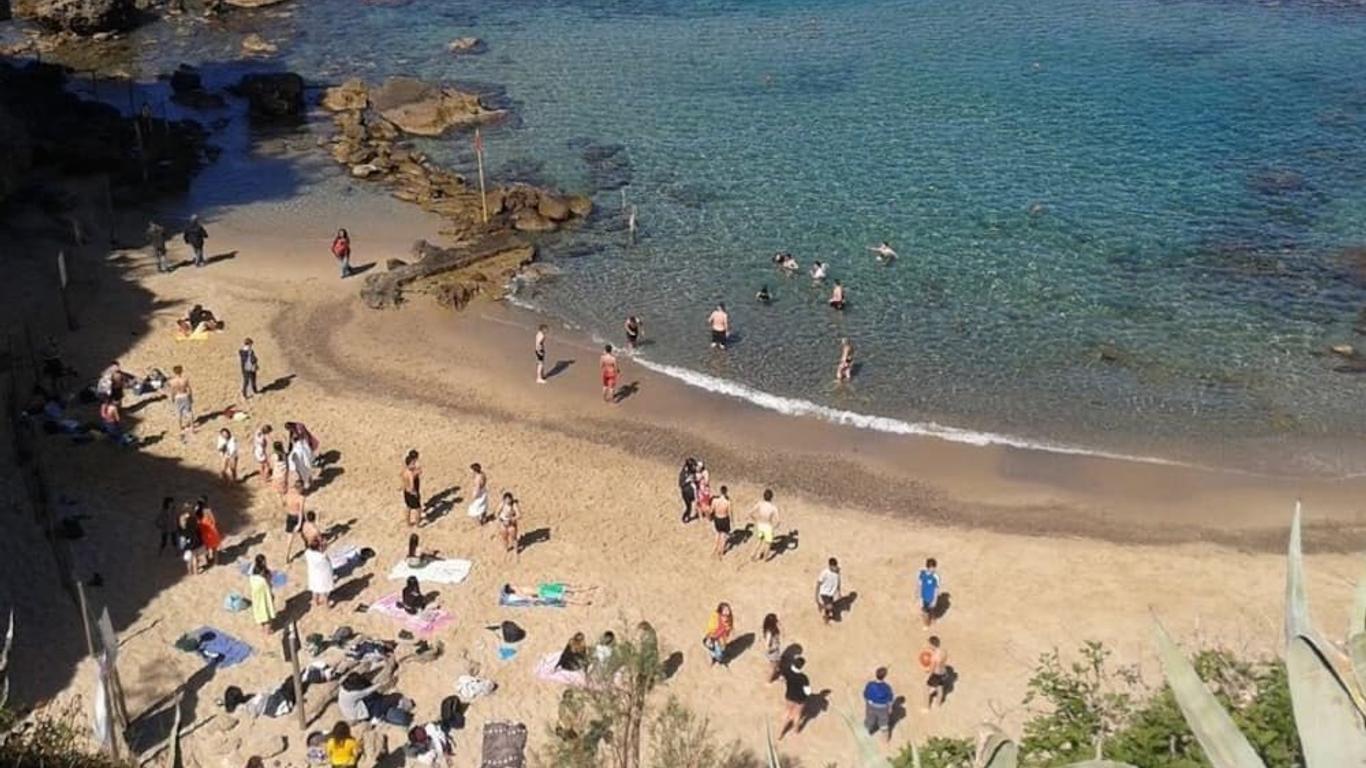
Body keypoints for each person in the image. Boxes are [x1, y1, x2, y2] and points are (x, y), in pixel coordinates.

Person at [778, 656, 811, 740]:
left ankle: (781, 733)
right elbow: (808, 692)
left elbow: (781, 679)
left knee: (787, 713)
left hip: (789, 695)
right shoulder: (803, 677)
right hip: (800, 698)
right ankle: (796, 730)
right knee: (797, 714)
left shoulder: (787, 671)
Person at [863, 667, 895, 741]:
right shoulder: (887, 687)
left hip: (871, 706)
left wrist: (869, 701)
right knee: (884, 723)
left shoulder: (870, 685)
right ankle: (885, 739)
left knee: (869, 719)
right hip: (883, 708)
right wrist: (890, 708)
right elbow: (890, 698)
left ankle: (866, 734)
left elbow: (865, 694)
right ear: (885, 676)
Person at [749, 488, 780, 562]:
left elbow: (750, 513)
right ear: (771, 497)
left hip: (760, 524)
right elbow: (778, 521)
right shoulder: (773, 507)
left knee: (759, 541)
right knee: (768, 543)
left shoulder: (760, 504)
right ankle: (765, 558)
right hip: (768, 526)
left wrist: (756, 520)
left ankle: (753, 554)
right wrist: (774, 527)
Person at [248, 554, 276, 636]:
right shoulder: (263, 574)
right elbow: (268, 582)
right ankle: (267, 630)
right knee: (267, 611)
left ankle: (263, 627)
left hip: (256, 594)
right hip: (264, 594)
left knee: (260, 610)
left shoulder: (253, 570)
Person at [305, 538, 335, 609]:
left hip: (313, 575)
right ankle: (327, 605)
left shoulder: (308, 553)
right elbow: (327, 562)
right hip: (322, 576)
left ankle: (316, 602)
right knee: (324, 591)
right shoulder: (322, 557)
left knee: (315, 590)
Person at [167, 365, 194, 439]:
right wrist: (191, 397)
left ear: (174, 372)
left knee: (179, 413)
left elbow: (172, 391)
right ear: (181, 371)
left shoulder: (172, 381)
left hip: (178, 396)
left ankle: (180, 428)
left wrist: (172, 398)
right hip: (184, 395)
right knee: (189, 412)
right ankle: (192, 427)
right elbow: (189, 389)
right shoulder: (185, 379)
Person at [924, 636, 949, 711]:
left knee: (926, 690)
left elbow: (932, 669)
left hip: (936, 674)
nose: (928, 646)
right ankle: (938, 705)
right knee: (940, 688)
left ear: (932, 645)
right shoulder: (944, 651)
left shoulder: (934, 657)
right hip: (943, 672)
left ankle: (927, 707)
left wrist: (927, 676)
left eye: (929, 644)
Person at [176, 507, 203, 575]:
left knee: (188, 559)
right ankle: (196, 572)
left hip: (186, 544)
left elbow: (180, 536)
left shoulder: (182, 529)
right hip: (194, 541)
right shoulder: (193, 521)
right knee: (194, 557)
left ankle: (190, 572)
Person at [196, 497, 221, 566]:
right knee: (214, 548)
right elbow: (213, 520)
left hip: (203, 532)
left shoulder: (196, 511)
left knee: (206, 548)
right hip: (211, 531)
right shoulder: (208, 510)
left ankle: (208, 561)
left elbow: (197, 522)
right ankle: (216, 562)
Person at [815, 557, 842, 624]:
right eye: (833, 567)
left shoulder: (837, 572)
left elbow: (838, 582)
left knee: (828, 608)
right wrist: (816, 595)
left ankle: (826, 618)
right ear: (830, 566)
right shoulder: (824, 573)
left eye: (835, 566)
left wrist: (839, 592)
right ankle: (822, 606)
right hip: (824, 593)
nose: (835, 568)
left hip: (831, 593)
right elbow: (818, 583)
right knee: (830, 606)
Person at [401, 449, 423, 527]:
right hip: (412, 493)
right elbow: (412, 485)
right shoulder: (410, 474)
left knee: (408, 507)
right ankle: (417, 524)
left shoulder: (405, 471)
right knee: (418, 509)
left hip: (406, 492)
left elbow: (404, 483)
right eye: (412, 464)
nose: (414, 465)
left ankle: (408, 523)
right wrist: (415, 493)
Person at [497, 492, 522, 559]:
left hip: (511, 524)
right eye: (506, 499)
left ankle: (516, 551)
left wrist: (511, 519)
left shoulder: (514, 505)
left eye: (509, 499)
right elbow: (497, 513)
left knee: (514, 538)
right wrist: (502, 520)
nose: (508, 501)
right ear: (504, 500)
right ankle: (506, 549)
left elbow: (519, 515)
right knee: (504, 538)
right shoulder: (502, 504)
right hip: (503, 524)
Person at [710, 485, 732, 559]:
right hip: (724, 519)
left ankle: (715, 549)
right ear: (726, 492)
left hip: (717, 518)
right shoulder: (727, 502)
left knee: (717, 534)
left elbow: (711, 510)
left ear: (720, 491)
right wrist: (732, 521)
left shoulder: (715, 501)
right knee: (723, 536)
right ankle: (721, 552)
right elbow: (729, 513)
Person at [919, 557, 941, 629]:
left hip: (931, 598)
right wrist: (919, 596)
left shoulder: (935, 577)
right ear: (929, 567)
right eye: (933, 568)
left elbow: (936, 589)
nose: (934, 569)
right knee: (925, 612)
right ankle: (926, 624)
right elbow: (920, 585)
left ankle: (933, 619)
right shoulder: (922, 574)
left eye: (934, 568)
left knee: (931, 609)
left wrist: (934, 600)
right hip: (924, 597)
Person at [762, 613, 782, 682]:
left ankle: (776, 672)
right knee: (773, 667)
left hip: (775, 651)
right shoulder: (769, 633)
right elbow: (767, 647)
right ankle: (769, 680)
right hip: (772, 653)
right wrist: (775, 647)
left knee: (777, 663)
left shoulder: (773, 629)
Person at [678, 458, 697, 523]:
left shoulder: (692, 470)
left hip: (692, 491)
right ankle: (685, 517)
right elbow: (681, 484)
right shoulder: (683, 473)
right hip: (686, 493)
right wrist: (688, 480)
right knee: (689, 507)